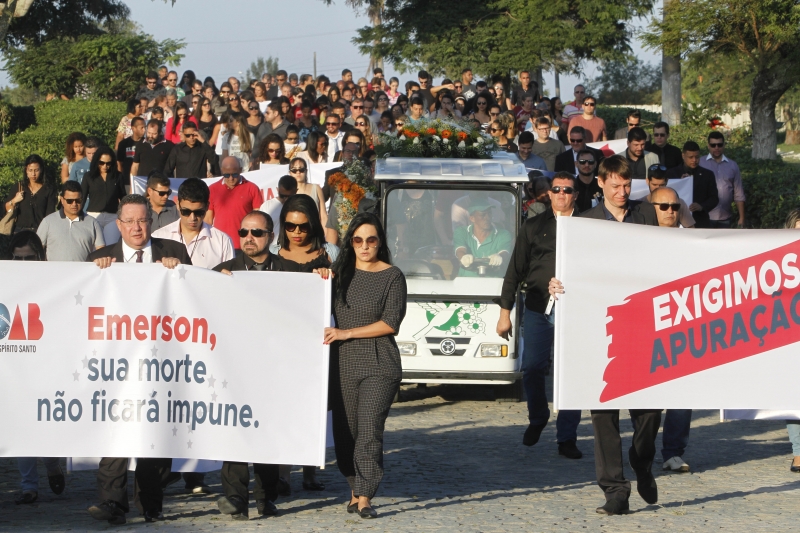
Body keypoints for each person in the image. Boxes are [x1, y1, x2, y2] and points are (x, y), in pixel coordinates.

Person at [549, 156, 659, 516]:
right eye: (615, 185)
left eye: (627, 185)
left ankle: (642, 459)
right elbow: (568, 270)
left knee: (650, 410)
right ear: (600, 183)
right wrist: (556, 283)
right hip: (600, 327)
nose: (622, 192)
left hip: (642, 325)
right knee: (603, 412)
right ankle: (615, 490)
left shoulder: (646, 215)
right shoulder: (585, 224)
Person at [86, 194, 191, 526]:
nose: (136, 227)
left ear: (151, 222)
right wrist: (95, 275)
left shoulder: (174, 253)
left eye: (142, 220)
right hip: (115, 365)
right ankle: (112, 503)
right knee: (115, 432)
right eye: (129, 221)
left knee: (153, 436)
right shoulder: (100, 259)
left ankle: (151, 503)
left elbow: (193, 302)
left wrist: (178, 274)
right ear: (118, 225)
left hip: (160, 363)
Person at [322, 212, 406, 520]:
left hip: (379, 362)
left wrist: (346, 333)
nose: (364, 246)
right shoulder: (339, 273)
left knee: (369, 429)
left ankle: (366, 496)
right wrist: (321, 275)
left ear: (380, 242)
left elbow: (391, 322)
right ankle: (354, 489)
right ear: (351, 243)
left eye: (371, 240)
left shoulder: (392, 276)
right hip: (343, 363)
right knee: (346, 433)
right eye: (358, 240)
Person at [498, 171, 583, 457]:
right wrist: (505, 312)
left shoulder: (587, 226)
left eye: (567, 190)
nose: (561, 194)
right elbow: (515, 270)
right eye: (556, 189)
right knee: (533, 367)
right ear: (549, 193)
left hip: (575, 309)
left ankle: (567, 437)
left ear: (575, 195)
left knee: (571, 372)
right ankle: (538, 416)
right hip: (538, 306)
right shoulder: (533, 226)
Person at [213, 211, 282, 520]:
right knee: (234, 429)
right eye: (243, 232)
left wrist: (320, 273)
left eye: (257, 232)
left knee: (266, 431)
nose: (249, 238)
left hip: (273, 368)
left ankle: (266, 497)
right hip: (233, 367)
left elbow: (312, 298)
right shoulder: (221, 271)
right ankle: (235, 498)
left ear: (271, 236)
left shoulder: (289, 271)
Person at [6, 230, 64, 503]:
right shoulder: (5, 282)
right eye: (17, 259)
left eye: (28, 258)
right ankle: (28, 485)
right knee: (21, 425)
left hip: (45, 362)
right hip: (15, 362)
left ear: (39, 257)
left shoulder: (54, 282)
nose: (23, 264)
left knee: (43, 422)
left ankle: (52, 464)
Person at [153, 177, 233, 270]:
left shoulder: (222, 241)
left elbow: (230, 276)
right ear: (177, 205)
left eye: (198, 212)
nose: (192, 218)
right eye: (186, 212)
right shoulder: (158, 237)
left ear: (207, 207)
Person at [37, 180, 104, 261]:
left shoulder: (93, 223)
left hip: (83, 269)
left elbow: (102, 253)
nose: (74, 204)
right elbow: (36, 250)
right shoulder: (48, 222)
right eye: (70, 201)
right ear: (62, 200)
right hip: (54, 269)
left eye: (78, 200)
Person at [205, 156, 263, 248]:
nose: (231, 178)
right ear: (222, 171)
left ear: (240, 170)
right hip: (219, 245)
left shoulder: (252, 188)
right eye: (227, 175)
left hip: (245, 245)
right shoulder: (212, 189)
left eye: (235, 175)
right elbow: (208, 220)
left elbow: (258, 219)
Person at [665, 141, 719, 228]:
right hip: (677, 220)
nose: (694, 160)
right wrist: (680, 183)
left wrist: (701, 206)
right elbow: (665, 195)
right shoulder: (671, 174)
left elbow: (714, 198)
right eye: (690, 157)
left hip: (700, 221)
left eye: (697, 157)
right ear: (683, 156)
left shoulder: (707, 174)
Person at [700, 131, 746, 228]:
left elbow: (739, 193)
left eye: (719, 145)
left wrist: (742, 217)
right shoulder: (700, 163)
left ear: (724, 145)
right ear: (708, 146)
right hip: (705, 217)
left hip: (725, 217)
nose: (716, 148)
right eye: (713, 145)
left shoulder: (732, 165)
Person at [81, 147, 127, 245]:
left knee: (111, 245)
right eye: (101, 163)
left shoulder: (118, 176)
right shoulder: (88, 176)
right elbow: (82, 198)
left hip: (112, 217)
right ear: (96, 161)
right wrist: (79, 216)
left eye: (108, 163)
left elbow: (123, 197)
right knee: (94, 247)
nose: (105, 166)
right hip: (93, 216)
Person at [454, 202, 512, 277]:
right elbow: (460, 250)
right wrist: (463, 257)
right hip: (466, 281)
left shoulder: (503, 234)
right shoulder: (461, 232)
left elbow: (504, 252)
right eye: (482, 215)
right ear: (472, 218)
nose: (487, 218)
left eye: (489, 214)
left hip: (493, 282)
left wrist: (499, 257)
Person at [3, 154, 57, 233]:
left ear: (41, 170)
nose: (33, 174)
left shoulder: (48, 189)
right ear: (26, 170)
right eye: (30, 170)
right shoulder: (19, 187)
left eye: (36, 170)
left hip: (40, 232)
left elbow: (50, 215)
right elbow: (6, 209)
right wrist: (14, 200)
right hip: (20, 232)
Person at [288, 157, 327, 225]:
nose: (298, 172)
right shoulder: (288, 192)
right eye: (294, 170)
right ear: (290, 173)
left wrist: (326, 231)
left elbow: (323, 216)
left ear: (306, 171)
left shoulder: (316, 188)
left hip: (315, 229)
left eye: (301, 169)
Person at [117, 116, 145, 182]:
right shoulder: (123, 144)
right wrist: (120, 178)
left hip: (142, 180)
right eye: (141, 128)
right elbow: (119, 162)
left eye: (145, 127)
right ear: (133, 128)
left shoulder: (146, 144)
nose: (144, 130)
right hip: (126, 180)